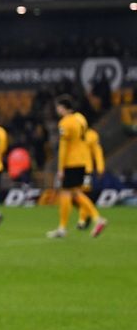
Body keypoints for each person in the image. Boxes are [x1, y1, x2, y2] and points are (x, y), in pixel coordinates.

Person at [47, 96, 106, 238]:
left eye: (58, 107)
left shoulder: (65, 123)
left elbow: (63, 147)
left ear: (63, 108)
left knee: (66, 193)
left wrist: (61, 168)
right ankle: (94, 219)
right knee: (76, 193)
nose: (57, 110)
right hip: (83, 162)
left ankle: (65, 227)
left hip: (71, 162)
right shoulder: (81, 118)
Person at [78, 126, 105, 230]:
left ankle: (83, 219)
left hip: (86, 170)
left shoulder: (92, 135)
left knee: (83, 194)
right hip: (72, 169)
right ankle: (87, 215)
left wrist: (100, 168)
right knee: (75, 195)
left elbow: (97, 152)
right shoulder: (73, 134)